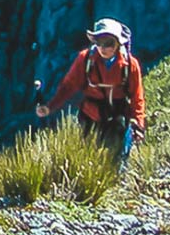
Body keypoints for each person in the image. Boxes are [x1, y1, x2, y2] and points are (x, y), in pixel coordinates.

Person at [37, 18, 145, 157]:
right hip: (90, 116)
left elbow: (137, 96)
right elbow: (68, 86)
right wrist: (50, 107)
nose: (103, 48)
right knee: (90, 157)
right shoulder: (85, 59)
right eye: (99, 42)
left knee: (116, 159)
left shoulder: (130, 65)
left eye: (108, 43)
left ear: (118, 43)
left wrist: (139, 125)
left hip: (118, 117)